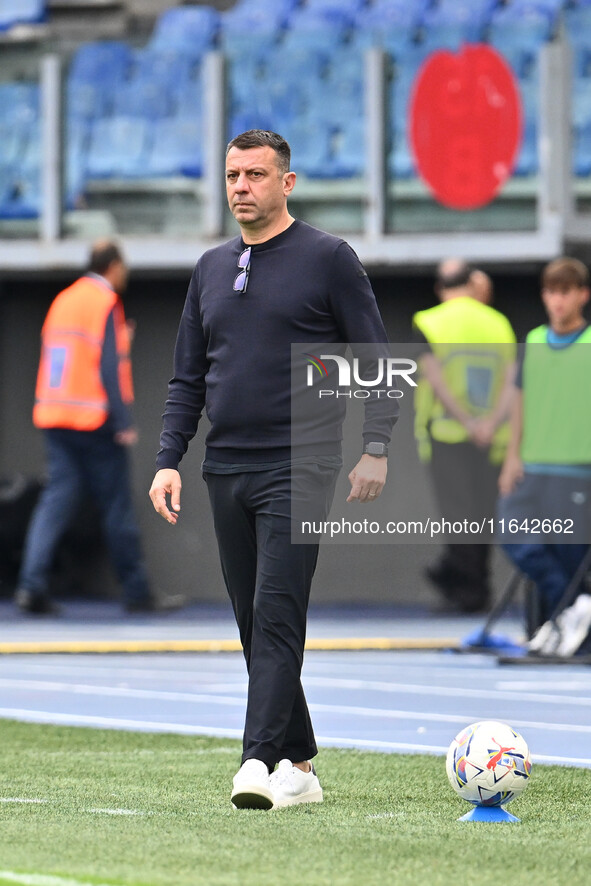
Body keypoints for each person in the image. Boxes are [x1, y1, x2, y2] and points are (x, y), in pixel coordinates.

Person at [149, 129, 396, 810]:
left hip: (302, 464)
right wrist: (168, 459)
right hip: (223, 467)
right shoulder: (208, 269)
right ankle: (302, 765)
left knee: (277, 610)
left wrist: (375, 445)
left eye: (255, 175)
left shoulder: (329, 259)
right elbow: (186, 379)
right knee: (254, 622)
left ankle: (256, 762)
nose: (241, 187)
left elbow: (377, 360)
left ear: (286, 183)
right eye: (232, 175)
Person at [15, 239, 153, 615]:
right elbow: (108, 366)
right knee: (117, 506)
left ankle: (30, 586)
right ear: (112, 266)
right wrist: (123, 421)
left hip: (55, 416)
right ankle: (137, 593)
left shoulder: (64, 300)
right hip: (94, 420)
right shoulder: (105, 302)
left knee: (54, 504)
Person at [498, 256, 591, 657]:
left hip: (577, 470)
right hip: (533, 467)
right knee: (512, 533)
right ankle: (573, 611)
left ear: (582, 295)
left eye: (565, 292)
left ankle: (564, 624)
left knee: (568, 556)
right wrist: (511, 456)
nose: (557, 300)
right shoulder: (533, 342)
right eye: (551, 292)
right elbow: (520, 402)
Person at [412, 259, 516, 613]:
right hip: (493, 436)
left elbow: (436, 381)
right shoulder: (498, 323)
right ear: (471, 285)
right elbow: (511, 381)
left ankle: (466, 590)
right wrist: (489, 423)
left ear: (440, 289)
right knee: (482, 514)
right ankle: (469, 585)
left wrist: (469, 423)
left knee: (458, 515)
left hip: (448, 433)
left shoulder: (429, 321)